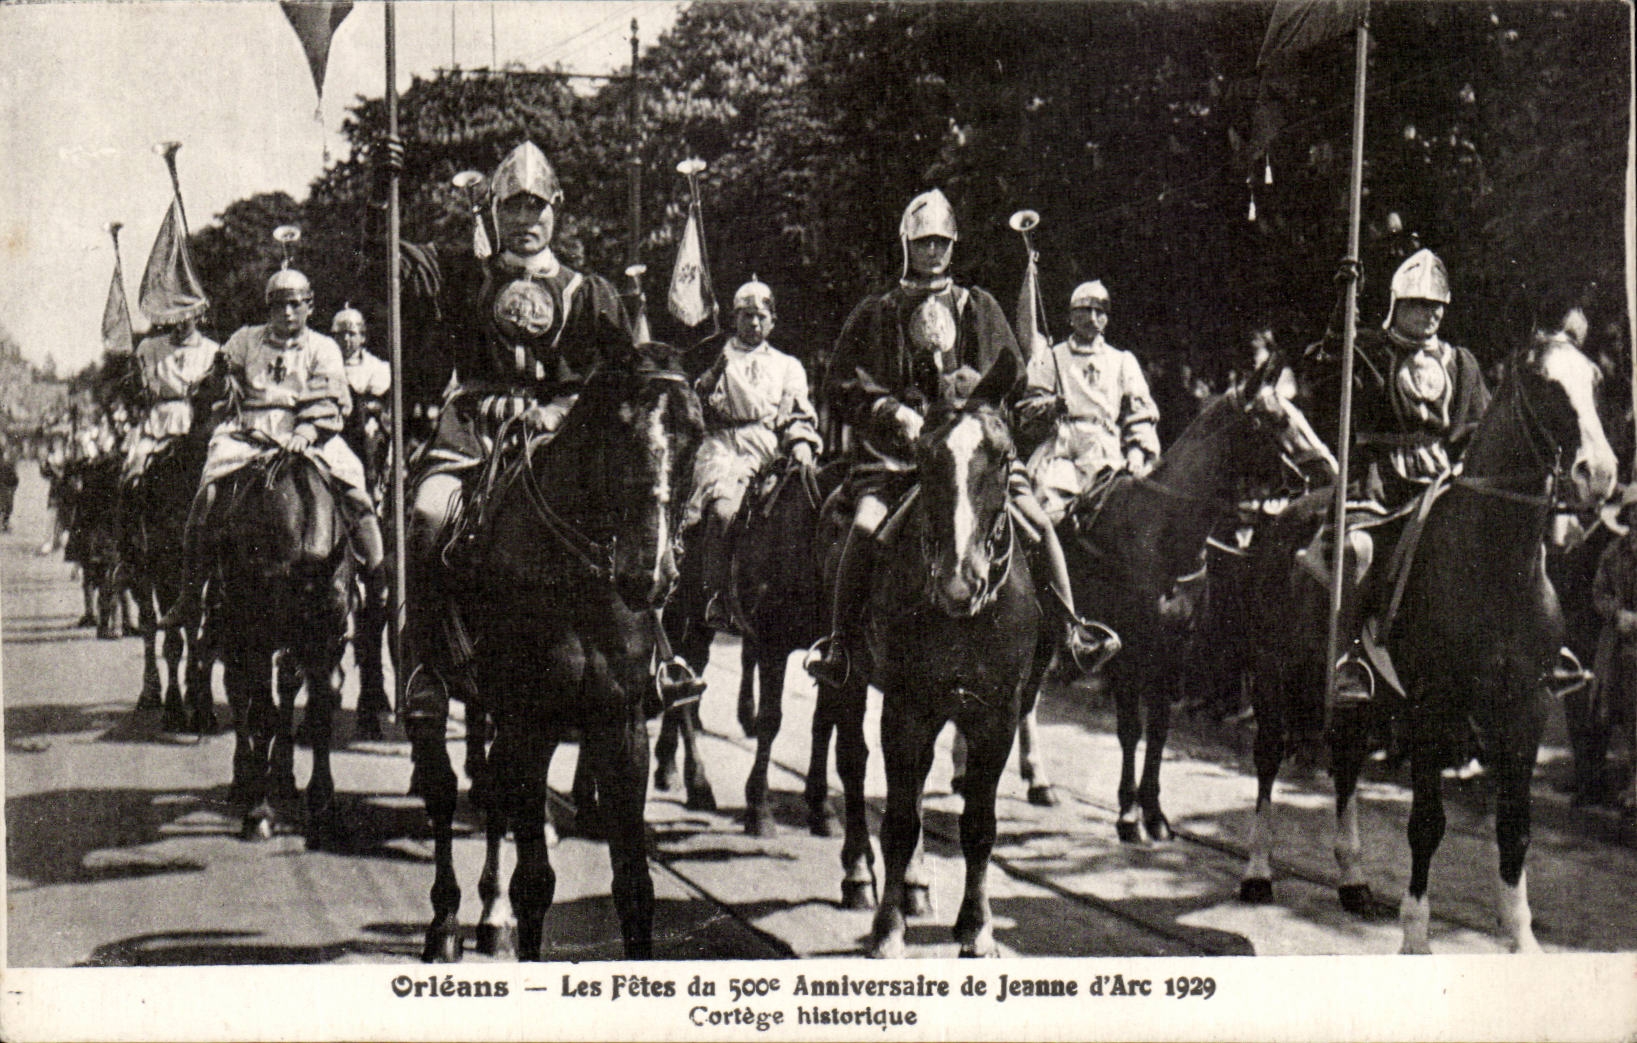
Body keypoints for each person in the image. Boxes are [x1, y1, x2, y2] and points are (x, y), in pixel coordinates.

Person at [807, 189, 1110, 688]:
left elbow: (1008, 378)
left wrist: (1027, 404)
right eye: (925, 242)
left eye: (942, 243)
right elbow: (843, 384)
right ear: (907, 243)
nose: (933, 252)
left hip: (972, 457)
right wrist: (887, 408)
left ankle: (1073, 632)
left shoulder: (978, 305)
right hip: (895, 459)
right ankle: (840, 644)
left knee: (1039, 524)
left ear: (953, 246)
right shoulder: (878, 310)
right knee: (863, 529)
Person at [392, 139, 632, 738]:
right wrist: (383, 189)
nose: (526, 222)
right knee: (427, 516)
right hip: (476, 429)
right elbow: (386, 263)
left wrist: (572, 410)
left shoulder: (590, 290)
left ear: (557, 210)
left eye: (537, 208)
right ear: (494, 214)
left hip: (564, 436)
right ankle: (426, 665)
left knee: (634, 520)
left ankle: (654, 660)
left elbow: (623, 373)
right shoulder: (464, 274)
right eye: (513, 210)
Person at [1302, 248, 1491, 700]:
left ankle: (1516, 656)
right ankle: (1349, 659)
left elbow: (1478, 424)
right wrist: (1342, 309)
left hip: (1443, 480)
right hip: (1379, 478)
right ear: (1397, 305)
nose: (1429, 315)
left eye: (1436, 306)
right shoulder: (1366, 348)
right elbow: (1324, 371)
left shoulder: (1460, 361)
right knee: (1359, 548)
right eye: (1418, 305)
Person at [160, 266, 383, 626]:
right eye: (279, 306)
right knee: (210, 492)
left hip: (308, 431)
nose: (288, 313)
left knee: (354, 485)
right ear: (269, 307)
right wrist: (219, 376)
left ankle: (377, 580)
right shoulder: (245, 340)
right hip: (247, 431)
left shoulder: (324, 347)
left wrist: (307, 432)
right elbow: (217, 388)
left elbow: (330, 397)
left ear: (310, 306)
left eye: (295, 305)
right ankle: (190, 594)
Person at [687, 279, 821, 630]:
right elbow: (694, 406)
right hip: (724, 447)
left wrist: (801, 442)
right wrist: (712, 373)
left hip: (769, 448)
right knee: (724, 510)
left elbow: (796, 412)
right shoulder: (718, 358)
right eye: (747, 316)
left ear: (773, 321)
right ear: (735, 318)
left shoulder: (787, 366)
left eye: (762, 316)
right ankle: (716, 593)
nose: (754, 324)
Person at [1017, 280, 1161, 523]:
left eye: (1099, 312)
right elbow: (1028, 409)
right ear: (1071, 316)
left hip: (1107, 453)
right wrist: (1051, 406)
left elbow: (1138, 415)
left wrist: (1136, 454)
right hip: (1062, 452)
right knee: (1047, 514)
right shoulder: (1052, 357)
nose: (1092, 318)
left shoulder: (1122, 361)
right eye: (1084, 311)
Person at [119, 315, 220, 486]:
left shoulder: (212, 350)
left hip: (196, 422)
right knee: (135, 472)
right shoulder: (152, 346)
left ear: (197, 317)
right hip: (159, 423)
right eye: (174, 316)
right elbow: (145, 384)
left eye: (185, 318)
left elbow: (214, 389)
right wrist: (145, 380)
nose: (179, 323)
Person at [331, 304, 391, 497]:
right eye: (340, 335)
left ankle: (374, 490)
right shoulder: (326, 365)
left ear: (362, 337)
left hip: (365, 426)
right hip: (333, 423)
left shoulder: (376, 367)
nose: (346, 340)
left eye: (351, 334)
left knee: (369, 439)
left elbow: (377, 401)